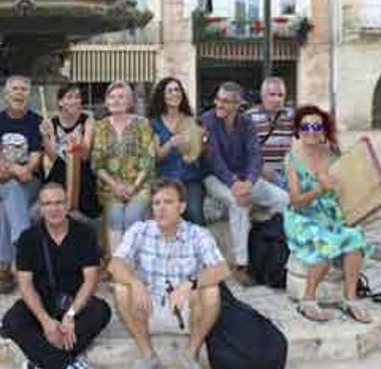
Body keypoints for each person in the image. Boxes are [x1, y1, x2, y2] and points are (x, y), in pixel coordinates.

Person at [108, 178, 230, 369]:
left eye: (168, 202)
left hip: (187, 311)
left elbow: (222, 269)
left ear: (182, 207)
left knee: (211, 291)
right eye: (157, 203)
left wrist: (190, 282)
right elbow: (114, 264)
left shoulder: (198, 234)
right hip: (147, 308)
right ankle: (148, 355)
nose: (161, 208)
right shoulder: (140, 230)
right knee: (121, 288)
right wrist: (135, 283)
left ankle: (190, 355)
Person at [1, 183, 111, 369]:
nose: (54, 209)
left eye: (59, 202)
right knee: (13, 319)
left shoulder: (85, 234)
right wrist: (46, 322)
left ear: (67, 205)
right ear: (41, 208)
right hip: (42, 302)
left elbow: (91, 280)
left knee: (101, 311)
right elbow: (25, 285)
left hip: (74, 303)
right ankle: (65, 364)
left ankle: (39, 362)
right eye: (48, 204)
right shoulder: (28, 238)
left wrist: (70, 315)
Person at [284, 105, 373, 324]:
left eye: (316, 126)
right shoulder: (292, 159)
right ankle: (308, 300)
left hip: (330, 213)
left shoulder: (333, 154)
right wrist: (318, 190)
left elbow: (346, 187)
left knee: (355, 240)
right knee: (326, 244)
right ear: (298, 130)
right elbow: (295, 201)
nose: (310, 131)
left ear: (324, 129)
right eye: (305, 126)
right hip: (302, 216)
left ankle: (349, 299)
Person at [200, 81, 289, 286]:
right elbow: (214, 160)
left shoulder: (246, 123)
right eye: (218, 99)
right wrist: (235, 184)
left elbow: (255, 155)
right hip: (215, 178)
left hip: (244, 178)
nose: (219, 105)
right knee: (238, 203)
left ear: (238, 104)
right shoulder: (207, 121)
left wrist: (248, 181)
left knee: (283, 199)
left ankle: (269, 245)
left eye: (226, 101)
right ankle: (241, 264)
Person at [0, 75, 43, 294]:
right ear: (6, 94)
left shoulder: (36, 121)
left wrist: (26, 170)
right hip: (4, 178)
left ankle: (4, 268)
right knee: (11, 189)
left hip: (30, 182)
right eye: (15, 89)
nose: (19, 93)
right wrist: (14, 170)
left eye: (24, 89)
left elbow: (36, 155)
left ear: (28, 95)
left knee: (8, 209)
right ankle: (24, 250)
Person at [91, 82, 156, 253]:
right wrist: (116, 186)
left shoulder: (142, 124)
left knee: (132, 217)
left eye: (121, 97)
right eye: (111, 97)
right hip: (110, 186)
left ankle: (133, 264)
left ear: (129, 102)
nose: (116, 101)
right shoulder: (100, 127)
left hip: (140, 184)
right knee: (115, 217)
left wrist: (133, 187)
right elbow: (97, 164)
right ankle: (118, 266)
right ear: (106, 102)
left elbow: (148, 159)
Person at [148, 77, 205, 226]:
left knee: (194, 213)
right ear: (162, 95)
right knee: (168, 216)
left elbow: (197, 153)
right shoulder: (154, 123)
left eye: (177, 90)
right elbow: (155, 157)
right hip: (165, 179)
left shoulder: (190, 120)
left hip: (190, 178)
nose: (174, 93)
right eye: (170, 90)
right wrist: (170, 144)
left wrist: (201, 143)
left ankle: (200, 247)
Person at [41, 84, 98, 221]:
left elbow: (85, 156)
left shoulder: (88, 120)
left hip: (81, 171)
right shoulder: (52, 123)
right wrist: (45, 137)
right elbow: (54, 157)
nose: (75, 101)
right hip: (59, 171)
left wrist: (78, 145)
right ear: (61, 102)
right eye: (70, 97)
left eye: (77, 97)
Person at [246, 77, 295, 190]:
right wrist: (261, 169)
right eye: (272, 95)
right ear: (263, 96)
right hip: (260, 173)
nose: (277, 99)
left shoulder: (292, 116)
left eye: (280, 95)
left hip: (287, 172)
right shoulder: (249, 117)